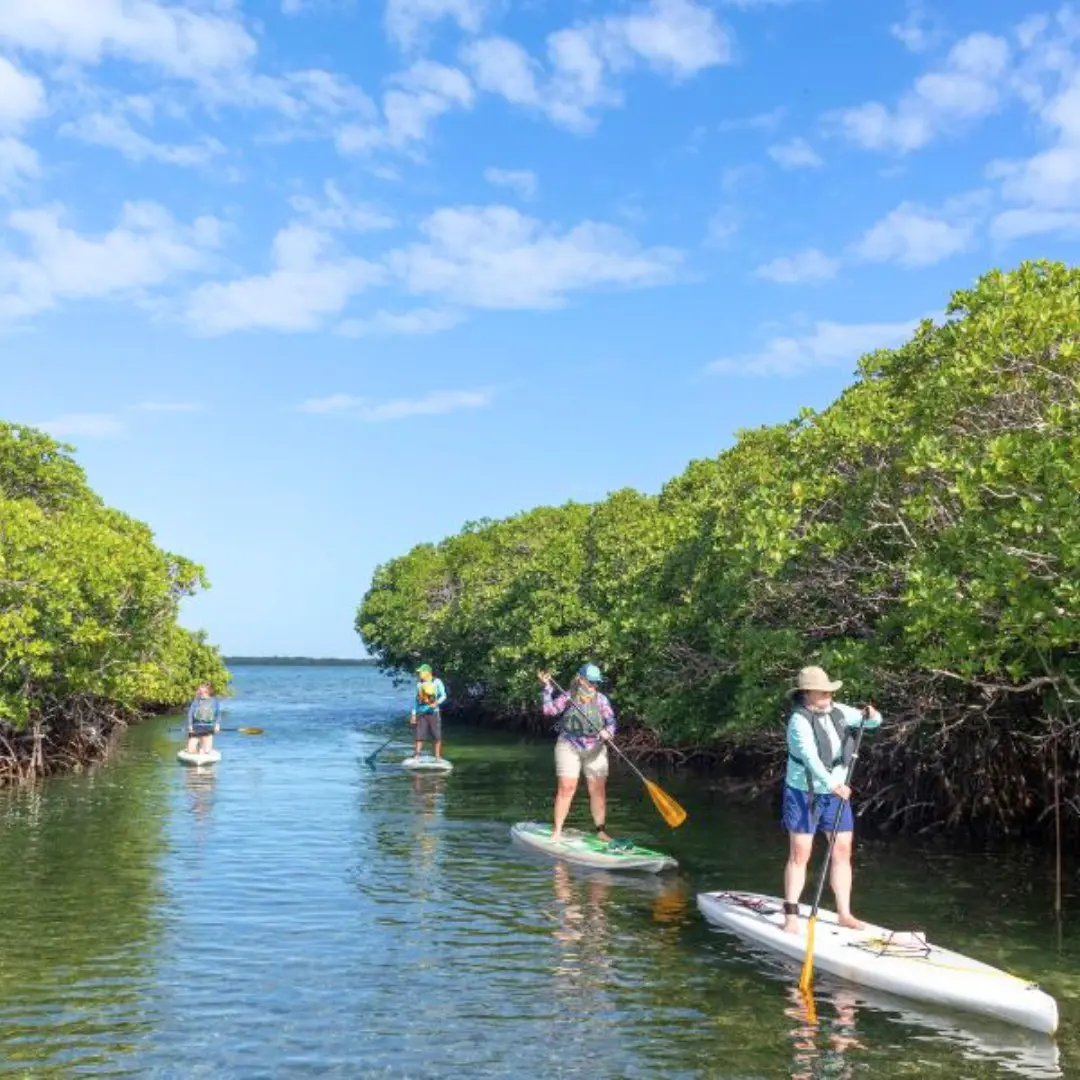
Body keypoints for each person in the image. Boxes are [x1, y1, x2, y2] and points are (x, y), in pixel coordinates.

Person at [781, 665, 882, 936]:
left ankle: (844, 913)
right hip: (804, 792)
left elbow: (873, 723)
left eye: (829, 690)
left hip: (836, 792)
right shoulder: (798, 721)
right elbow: (810, 758)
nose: (828, 694)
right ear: (806, 694)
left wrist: (872, 716)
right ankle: (791, 914)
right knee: (801, 852)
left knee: (842, 850)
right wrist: (833, 784)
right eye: (822, 691)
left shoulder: (839, 711)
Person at [538, 663, 617, 844]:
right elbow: (549, 710)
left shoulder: (602, 700)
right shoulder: (568, 697)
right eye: (590, 682)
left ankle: (601, 831)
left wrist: (609, 732)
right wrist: (547, 688)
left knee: (598, 790)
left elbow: (611, 721)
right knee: (567, 789)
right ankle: (557, 831)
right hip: (569, 746)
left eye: (596, 683)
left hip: (595, 749)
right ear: (581, 680)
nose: (593, 686)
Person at [410, 663, 447, 760]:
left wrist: (437, 703)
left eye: (421, 672)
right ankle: (417, 756)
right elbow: (416, 700)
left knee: (436, 735)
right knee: (419, 735)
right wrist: (413, 714)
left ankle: (438, 757)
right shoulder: (419, 684)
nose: (419, 674)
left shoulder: (437, 682)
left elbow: (443, 695)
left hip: (434, 712)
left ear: (428, 673)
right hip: (421, 713)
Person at [186, 683, 220, 756]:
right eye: (200, 692)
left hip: (208, 728)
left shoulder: (214, 702)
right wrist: (190, 726)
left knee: (207, 751)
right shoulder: (196, 702)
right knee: (190, 751)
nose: (201, 693)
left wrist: (217, 725)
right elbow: (190, 714)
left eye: (203, 692)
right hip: (196, 727)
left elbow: (217, 714)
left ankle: (204, 750)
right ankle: (197, 750)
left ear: (208, 692)